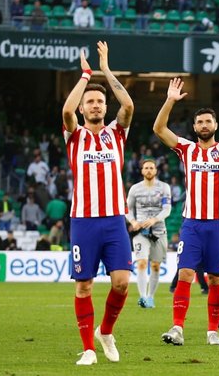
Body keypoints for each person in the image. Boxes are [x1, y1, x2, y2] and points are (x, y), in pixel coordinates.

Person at [154, 74, 219, 347]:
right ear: (195, 126)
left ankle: (212, 331)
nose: (204, 124)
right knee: (186, 273)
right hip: (193, 224)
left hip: (218, 224)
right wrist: (169, 101)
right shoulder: (186, 149)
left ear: (216, 125)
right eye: (200, 121)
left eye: (208, 120)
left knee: (216, 277)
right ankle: (177, 328)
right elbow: (159, 128)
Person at [61, 41, 135, 366]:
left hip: (114, 219)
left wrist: (105, 70)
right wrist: (85, 76)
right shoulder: (74, 134)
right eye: (90, 101)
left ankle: (106, 331)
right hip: (84, 220)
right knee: (84, 285)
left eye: (99, 101)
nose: (95, 105)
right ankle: (88, 349)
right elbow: (65, 111)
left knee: (121, 282)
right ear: (82, 108)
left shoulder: (117, 133)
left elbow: (129, 106)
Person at [126, 157, 172, 309]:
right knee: (141, 263)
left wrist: (155, 220)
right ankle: (143, 297)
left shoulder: (164, 187)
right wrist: (133, 222)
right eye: (146, 168)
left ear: (156, 170)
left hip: (159, 232)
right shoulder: (135, 189)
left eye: (151, 168)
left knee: (155, 266)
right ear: (142, 171)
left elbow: (167, 209)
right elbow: (128, 210)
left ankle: (151, 297)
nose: (149, 170)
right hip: (141, 232)